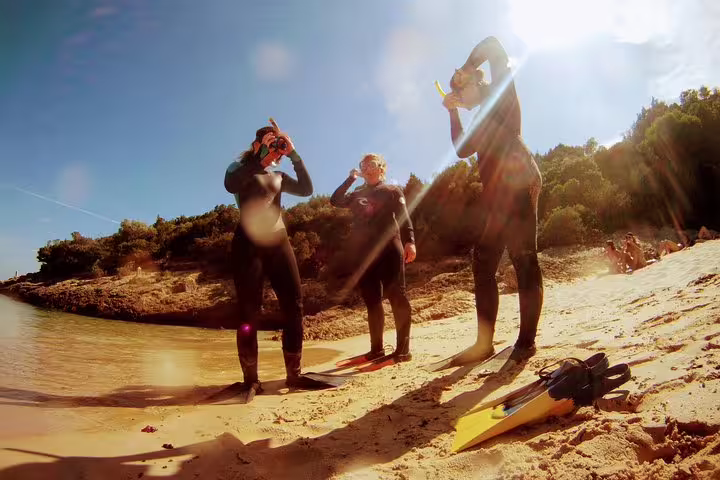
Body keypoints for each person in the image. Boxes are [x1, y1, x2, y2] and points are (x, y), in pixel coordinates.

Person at [440, 36, 543, 365]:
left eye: (460, 90)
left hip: (519, 181)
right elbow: (461, 150)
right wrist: (453, 113)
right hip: (496, 196)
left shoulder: (501, 93)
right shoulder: (479, 119)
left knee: (523, 258)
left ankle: (525, 343)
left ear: (476, 82)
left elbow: (494, 47)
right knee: (483, 263)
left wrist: (467, 66)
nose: (458, 95)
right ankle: (484, 344)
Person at [224, 122, 329, 400]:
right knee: (248, 312)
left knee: (294, 305)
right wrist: (260, 159)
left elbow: (307, 189)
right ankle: (250, 381)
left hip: (278, 243)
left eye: (278, 146)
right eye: (271, 143)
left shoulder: (279, 175)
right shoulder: (239, 169)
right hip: (247, 244)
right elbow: (230, 185)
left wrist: (294, 154)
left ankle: (294, 375)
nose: (275, 151)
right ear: (257, 144)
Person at [329, 153, 417, 364]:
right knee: (372, 301)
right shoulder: (357, 192)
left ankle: (402, 351)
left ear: (381, 168)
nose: (367, 167)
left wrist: (410, 241)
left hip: (388, 247)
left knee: (397, 295)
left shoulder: (392, 190)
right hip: (363, 254)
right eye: (363, 164)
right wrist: (350, 179)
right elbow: (335, 200)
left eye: (372, 164)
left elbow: (405, 216)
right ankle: (376, 350)